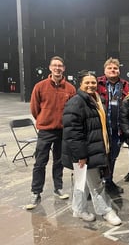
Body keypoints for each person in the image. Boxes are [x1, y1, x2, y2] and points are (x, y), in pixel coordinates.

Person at [62, 71, 121, 225]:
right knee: (97, 185)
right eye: (87, 83)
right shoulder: (76, 103)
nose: (90, 85)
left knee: (81, 184)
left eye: (93, 82)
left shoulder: (97, 100)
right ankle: (106, 211)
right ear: (80, 84)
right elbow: (73, 133)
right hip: (85, 153)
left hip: (94, 148)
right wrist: (81, 155)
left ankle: (78, 209)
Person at [26, 56, 76, 210]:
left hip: (62, 131)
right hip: (46, 131)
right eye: (55, 65)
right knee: (40, 162)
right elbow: (35, 109)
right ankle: (36, 192)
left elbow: (72, 110)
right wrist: (43, 119)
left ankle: (58, 188)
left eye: (60, 66)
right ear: (50, 68)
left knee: (59, 161)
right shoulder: (40, 86)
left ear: (64, 68)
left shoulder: (70, 88)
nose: (57, 68)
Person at [97, 57, 129, 195]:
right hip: (101, 130)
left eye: (115, 68)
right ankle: (95, 185)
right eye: (110, 68)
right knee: (99, 157)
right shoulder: (97, 83)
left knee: (112, 157)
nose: (113, 70)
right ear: (105, 70)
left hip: (118, 130)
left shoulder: (125, 85)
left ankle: (109, 181)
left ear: (119, 70)